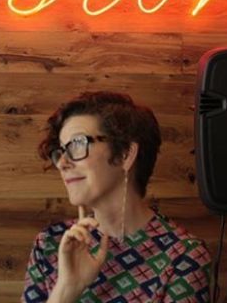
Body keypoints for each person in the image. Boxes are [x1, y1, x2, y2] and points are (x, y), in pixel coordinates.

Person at [22, 91, 211, 303]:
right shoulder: (51, 244)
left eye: (77, 144)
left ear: (125, 154)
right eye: (61, 151)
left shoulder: (183, 255)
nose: (62, 163)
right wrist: (66, 289)